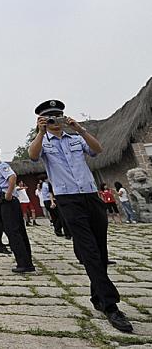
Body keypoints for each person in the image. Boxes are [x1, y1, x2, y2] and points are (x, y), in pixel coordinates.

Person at [29, 100, 132, 333]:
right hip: (68, 200)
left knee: (100, 249)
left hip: (90, 196)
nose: (54, 120)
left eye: (58, 116)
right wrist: (40, 131)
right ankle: (110, 305)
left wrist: (81, 129)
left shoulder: (76, 138)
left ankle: (97, 296)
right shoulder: (43, 142)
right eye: (50, 117)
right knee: (89, 250)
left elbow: (98, 150)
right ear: (44, 120)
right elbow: (33, 156)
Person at [0, 145, 34, 274]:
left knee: (14, 232)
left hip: (8, 201)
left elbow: (12, 177)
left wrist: (8, 194)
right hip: (2, 201)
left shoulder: (2, 166)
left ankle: (24, 263)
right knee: (14, 231)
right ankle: (25, 261)